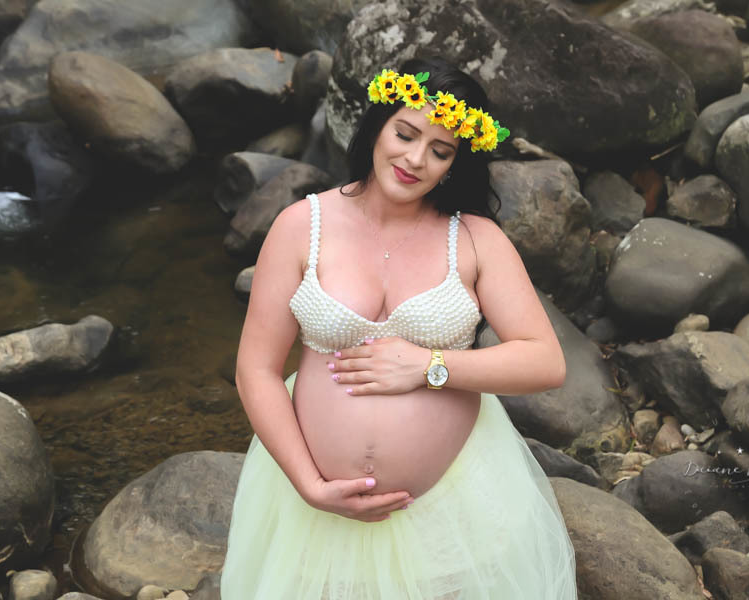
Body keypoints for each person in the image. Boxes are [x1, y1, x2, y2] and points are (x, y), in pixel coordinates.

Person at [220, 56, 578, 599]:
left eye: (440, 151)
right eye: (405, 134)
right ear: (377, 127)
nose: (415, 159)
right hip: (314, 506)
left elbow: (545, 361)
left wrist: (431, 365)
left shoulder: (475, 239)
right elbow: (256, 370)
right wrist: (309, 485)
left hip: (455, 506)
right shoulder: (301, 226)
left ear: (455, 163)